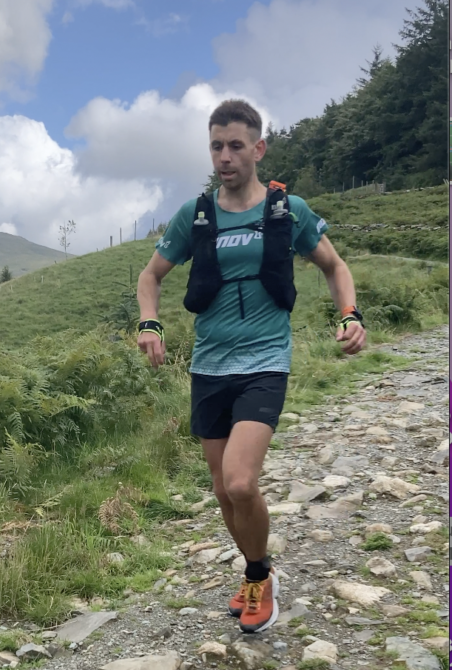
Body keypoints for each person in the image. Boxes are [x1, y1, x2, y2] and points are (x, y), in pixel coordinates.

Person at [137, 99, 366, 633]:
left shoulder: (288, 210)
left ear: (258, 148)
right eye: (216, 145)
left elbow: (333, 265)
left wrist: (350, 313)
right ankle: (254, 571)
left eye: (236, 145)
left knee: (241, 482)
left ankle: (261, 576)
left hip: (265, 360)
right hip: (209, 366)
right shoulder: (195, 215)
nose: (225, 156)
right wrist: (150, 323)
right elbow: (151, 277)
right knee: (221, 491)